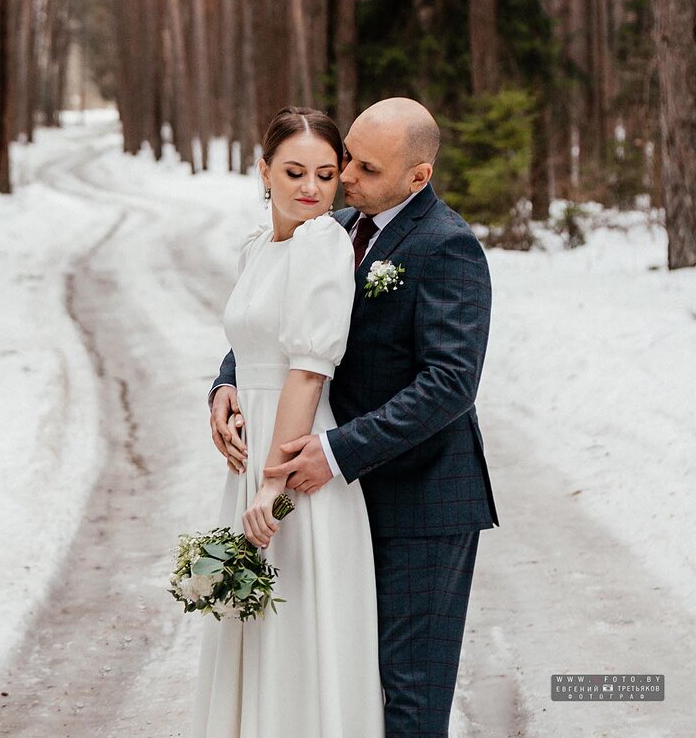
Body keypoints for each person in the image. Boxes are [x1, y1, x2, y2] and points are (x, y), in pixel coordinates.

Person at [208, 97, 500, 737]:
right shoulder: (336, 227)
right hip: (343, 503)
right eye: (348, 161)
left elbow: (451, 383)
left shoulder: (446, 246)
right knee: (346, 680)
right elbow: (282, 323)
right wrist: (227, 381)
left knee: (409, 690)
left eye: (365, 168)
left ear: (417, 178)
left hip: (421, 499)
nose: (345, 179)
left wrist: (338, 450)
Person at [191, 106, 386, 738]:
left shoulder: (323, 242)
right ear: (263, 170)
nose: (310, 189)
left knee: (299, 621)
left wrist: (275, 485)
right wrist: (225, 391)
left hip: (294, 457)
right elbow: (252, 345)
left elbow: (306, 369)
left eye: (326, 175)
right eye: (295, 171)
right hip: (253, 458)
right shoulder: (260, 245)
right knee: (253, 621)